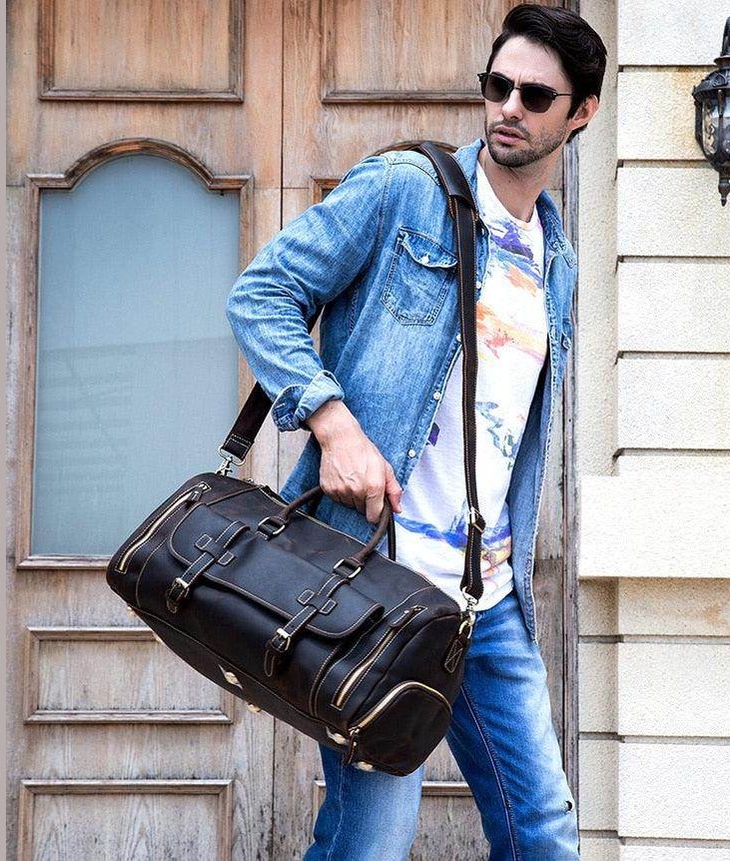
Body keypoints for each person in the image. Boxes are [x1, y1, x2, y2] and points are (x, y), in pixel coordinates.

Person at [226, 4, 606, 858]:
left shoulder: (559, 259)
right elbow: (262, 293)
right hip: (376, 581)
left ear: (580, 112)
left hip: (488, 596)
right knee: (373, 837)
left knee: (542, 829)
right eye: (496, 85)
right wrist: (332, 422)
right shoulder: (406, 189)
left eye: (535, 95)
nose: (508, 106)